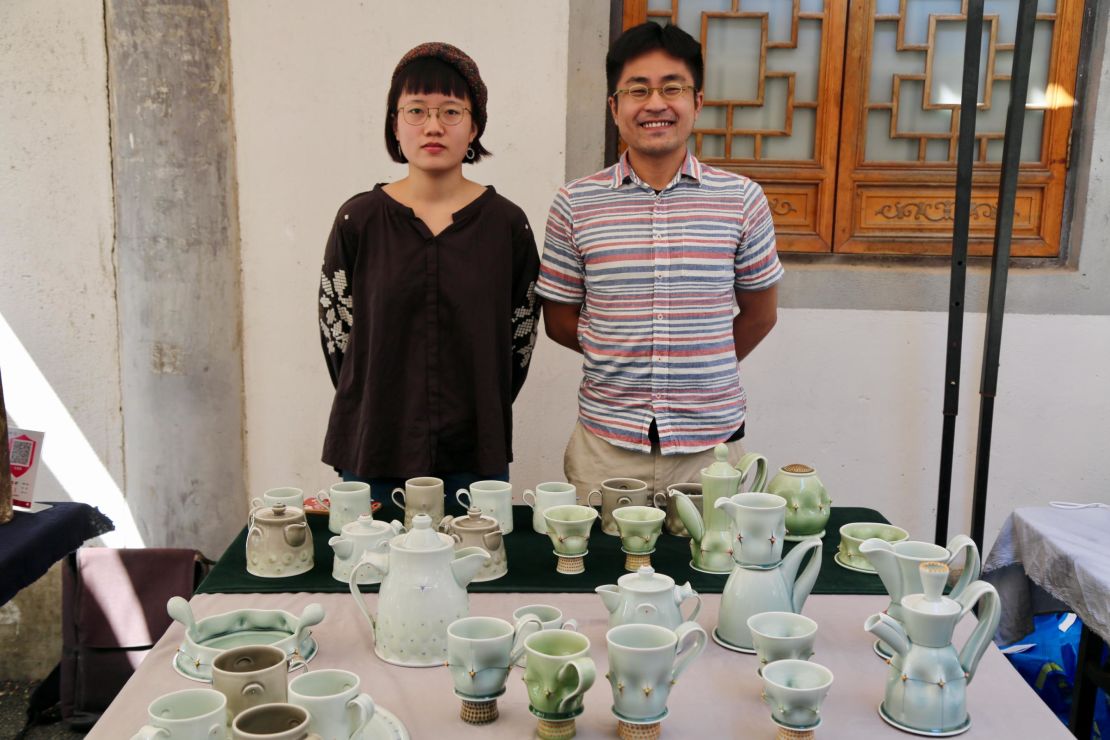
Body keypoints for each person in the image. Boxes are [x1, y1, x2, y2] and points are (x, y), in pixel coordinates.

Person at [535, 23, 783, 496]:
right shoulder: (575, 203)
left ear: (697, 102)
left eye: (673, 87)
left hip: (710, 449)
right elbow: (559, 320)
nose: (655, 104)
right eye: (638, 89)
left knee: (712, 566)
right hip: (606, 444)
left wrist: (701, 362)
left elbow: (760, 314)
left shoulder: (741, 199)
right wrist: (621, 352)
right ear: (614, 105)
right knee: (598, 568)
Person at [318, 42, 540, 505]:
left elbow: (519, 337)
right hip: (374, 442)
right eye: (416, 110)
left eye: (451, 111)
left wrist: (483, 401)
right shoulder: (358, 220)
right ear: (394, 124)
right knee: (371, 570)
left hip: (475, 448)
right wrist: (376, 395)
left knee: (475, 569)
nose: (433, 126)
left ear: (474, 125)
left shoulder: (506, 224)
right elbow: (339, 337)